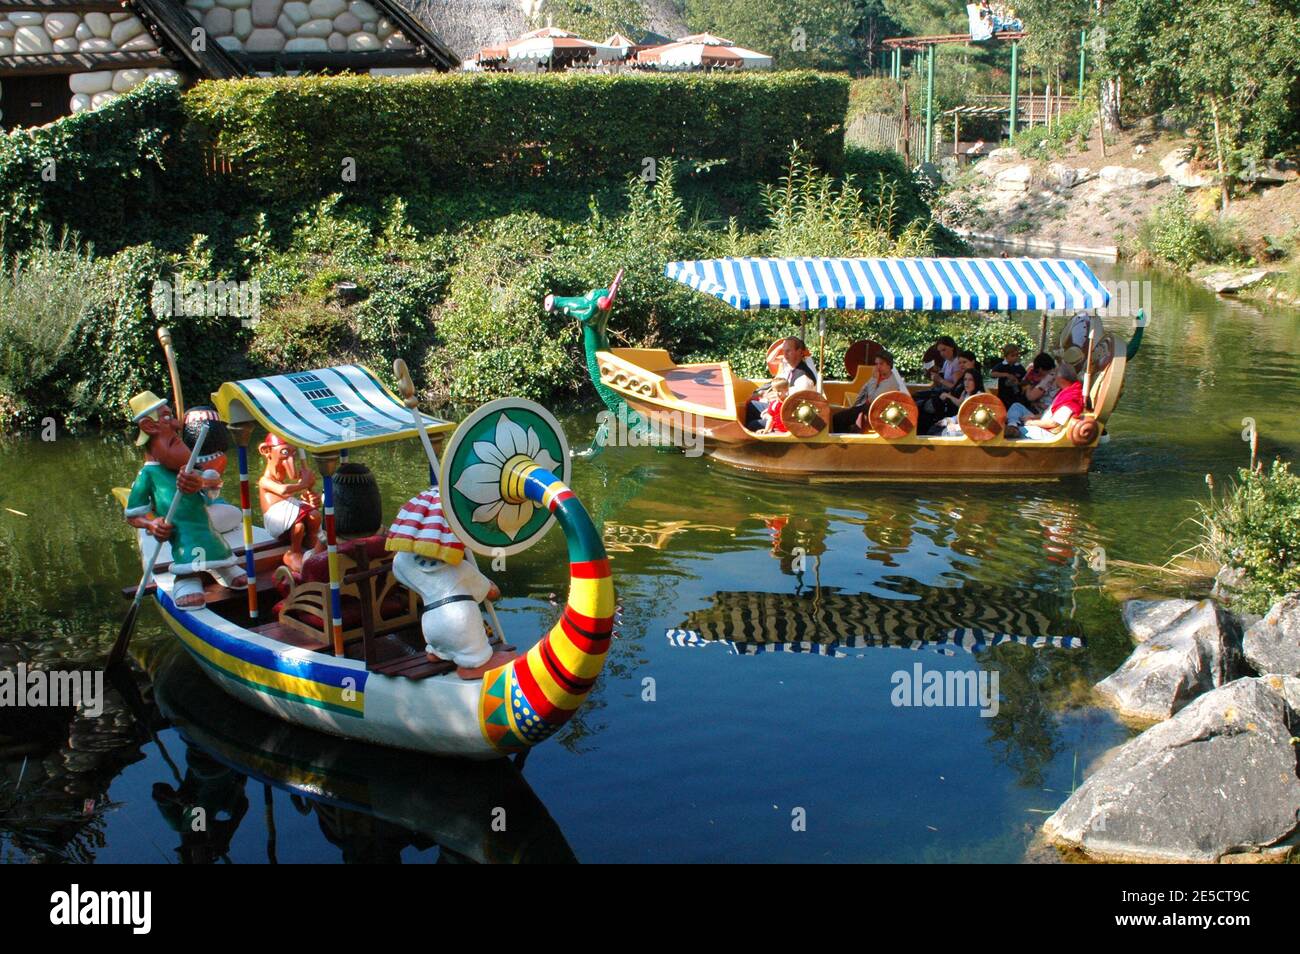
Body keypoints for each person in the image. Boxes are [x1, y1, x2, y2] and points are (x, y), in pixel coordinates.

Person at [124, 391, 246, 609]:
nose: (178, 425)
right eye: (167, 418)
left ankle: (223, 567)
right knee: (188, 549)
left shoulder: (187, 468)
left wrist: (203, 483)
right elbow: (133, 515)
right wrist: (151, 523)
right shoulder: (149, 475)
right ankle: (187, 578)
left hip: (206, 526)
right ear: (149, 427)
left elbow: (212, 488)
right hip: (182, 534)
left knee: (215, 544)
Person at [387, 488, 513, 679]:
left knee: (440, 644)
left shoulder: (404, 562)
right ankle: (474, 666)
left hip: (431, 624)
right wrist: (489, 583)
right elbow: (492, 593)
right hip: (459, 621)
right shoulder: (461, 568)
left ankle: (437, 652)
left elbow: (399, 563)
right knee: (479, 655)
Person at [258, 433, 324, 575]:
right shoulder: (264, 481)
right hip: (275, 519)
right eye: (285, 453)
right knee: (298, 525)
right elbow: (283, 491)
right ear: (266, 451)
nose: (290, 459)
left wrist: (309, 500)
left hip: (286, 512)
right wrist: (303, 483)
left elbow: (289, 497)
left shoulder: (282, 482)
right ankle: (294, 552)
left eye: (293, 453)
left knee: (314, 515)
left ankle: (313, 541)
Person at [745, 337, 816, 429]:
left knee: (753, 425)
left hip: (790, 419)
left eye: (788, 351)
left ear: (799, 352)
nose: (785, 354)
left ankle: (767, 437)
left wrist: (769, 413)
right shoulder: (790, 366)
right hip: (781, 408)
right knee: (752, 405)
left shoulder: (804, 379)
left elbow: (792, 407)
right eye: (784, 351)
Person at [832, 350, 907, 433]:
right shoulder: (879, 376)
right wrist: (854, 406)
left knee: (838, 418)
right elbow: (864, 390)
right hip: (865, 408)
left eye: (881, 364)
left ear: (889, 365)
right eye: (876, 364)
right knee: (839, 417)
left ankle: (843, 443)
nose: (878, 367)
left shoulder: (890, 382)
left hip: (875, 412)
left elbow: (872, 400)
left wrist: (874, 379)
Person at [1005, 362, 1084, 439]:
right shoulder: (1066, 391)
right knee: (1016, 406)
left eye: (1055, 376)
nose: (1054, 378)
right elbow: (1052, 415)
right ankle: (1013, 425)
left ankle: (1014, 430)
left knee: (1021, 430)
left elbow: (1053, 423)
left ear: (1061, 379)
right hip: (1044, 420)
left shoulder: (1071, 398)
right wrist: (1033, 417)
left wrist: (1031, 422)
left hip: (1048, 432)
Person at [931, 368, 986, 436]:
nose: (966, 382)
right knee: (933, 429)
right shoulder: (967, 393)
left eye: (970, 380)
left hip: (971, 432)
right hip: (961, 427)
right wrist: (948, 420)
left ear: (976, 381)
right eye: (965, 379)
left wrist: (954, 426)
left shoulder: (979, 397)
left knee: (936, 434)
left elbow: (975, 423)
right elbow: (962, 414)